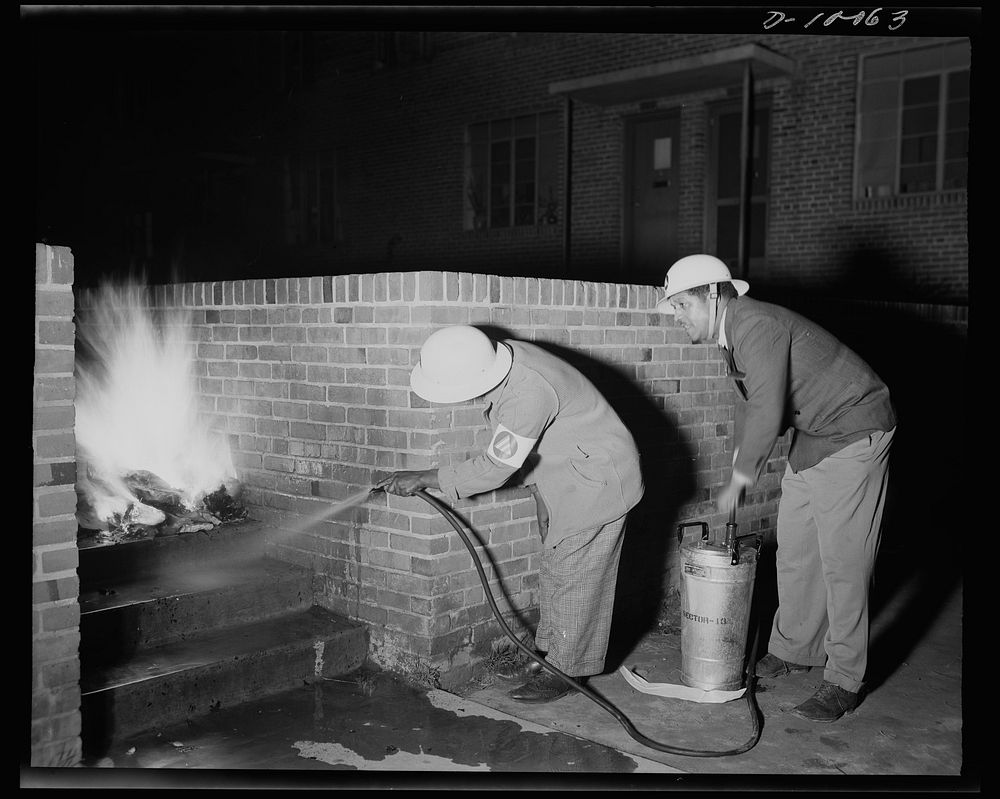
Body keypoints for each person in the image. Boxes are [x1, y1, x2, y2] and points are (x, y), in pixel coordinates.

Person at [657, 254, 896, 723]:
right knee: (795, 547)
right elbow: (749, 408)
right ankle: (794, 649)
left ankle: (845, 678)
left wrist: (744, 476)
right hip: (817, 434)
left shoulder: (754, 325)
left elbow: (768, 410)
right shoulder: (732, 338)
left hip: (854, 427)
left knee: (843, 560)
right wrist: (737, 469)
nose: (678, 317)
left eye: (682, 305)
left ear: (712, 294)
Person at [376, 325, 644, 703]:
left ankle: (568, 672)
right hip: (569, 472)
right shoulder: (501, 360)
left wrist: (426, 477)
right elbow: (542, 442)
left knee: (575, 576)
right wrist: (540, 496)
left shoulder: (526, 393)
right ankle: (551, 656)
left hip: (597, 480)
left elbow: (497, 465)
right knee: (557, 568)